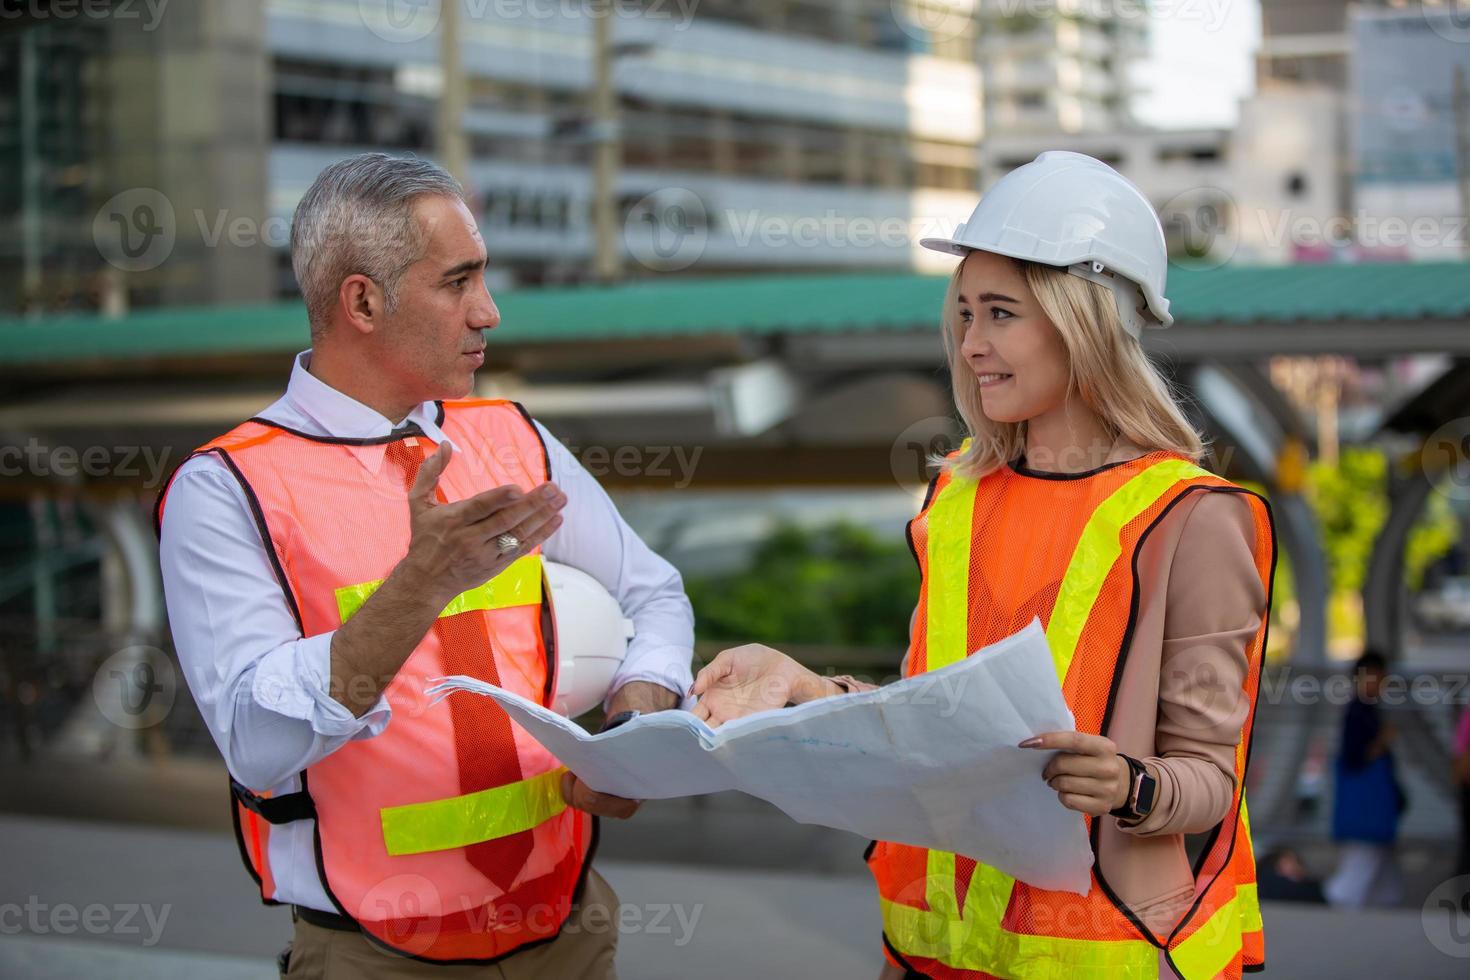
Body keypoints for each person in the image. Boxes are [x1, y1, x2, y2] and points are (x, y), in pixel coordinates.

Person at [691, 152, 1275, 980]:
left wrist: (1128, 783)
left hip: (1109, 958)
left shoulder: (1195, 517)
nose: (971, 345)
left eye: (1001, 313)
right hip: (933, 951)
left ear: (1087, 320)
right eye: (963, 314)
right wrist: (809, 688)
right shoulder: (956, 498)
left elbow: (1213, 779)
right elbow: (930, 720)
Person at [155, 153, 693, 978]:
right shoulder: (225, 489)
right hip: (372, 954)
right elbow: (255, 744)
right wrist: (423, 584)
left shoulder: (512, 434)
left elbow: (652, 595)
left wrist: (633, 724)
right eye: (459, 283)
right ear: (363, 301)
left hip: (569, 926)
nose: (490, 312)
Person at [1324, 650, 1405, 909]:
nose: (1380, 682)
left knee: (1379, 869)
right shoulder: (1358, 713)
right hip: (1365, 810)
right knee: (1359, 867)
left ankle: (1381, 908)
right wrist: (1383, 741)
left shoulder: (1367, 710)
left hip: (1371, 811)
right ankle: (1337, 905)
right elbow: (1355, 758)